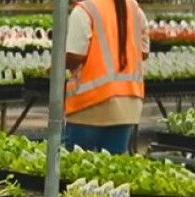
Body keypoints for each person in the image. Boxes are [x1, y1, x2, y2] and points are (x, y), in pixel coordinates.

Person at [62, 0, 149, 154]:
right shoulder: (134, 8)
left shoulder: (85, 10)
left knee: (75, 168)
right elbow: (144, 52)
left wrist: (56, 64)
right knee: (110, 170)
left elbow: (75, 54)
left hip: (91, 104)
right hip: (127, 105)